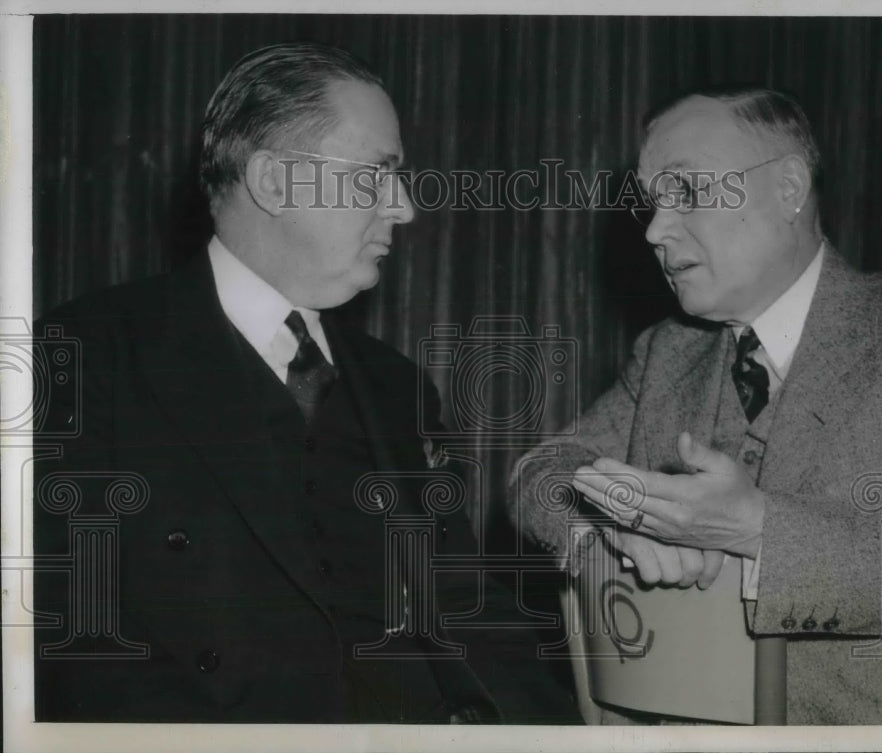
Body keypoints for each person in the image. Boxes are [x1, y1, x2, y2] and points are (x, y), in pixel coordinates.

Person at [33, 41, 577, 724]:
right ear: (273, 181)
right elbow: (64, 650)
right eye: (375, 176)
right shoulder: (85, 356)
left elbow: (468, 612)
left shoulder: (397, 385)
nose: (404, 208)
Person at [508, 86, 882, 725]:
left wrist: (758, 529)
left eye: (685, 193)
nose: (656, 231)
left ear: (789, 188)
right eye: (652, 205)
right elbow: (537, 472)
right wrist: (601, 526)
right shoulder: (667, 352)